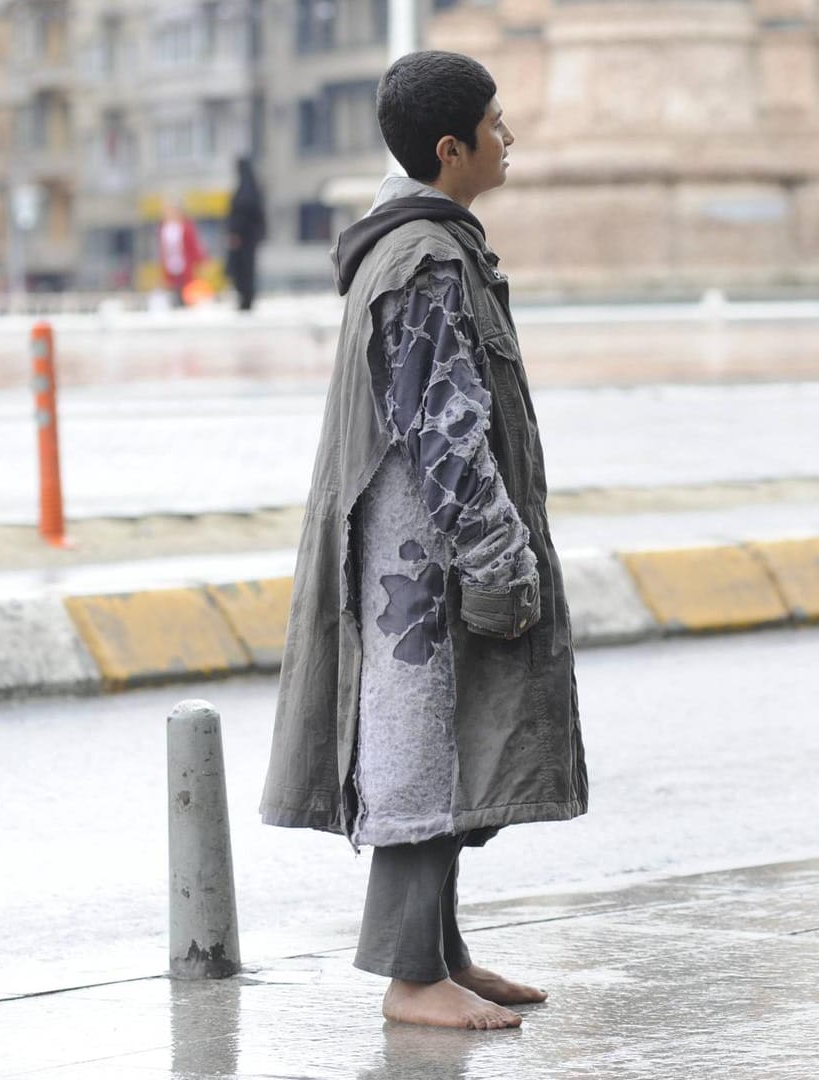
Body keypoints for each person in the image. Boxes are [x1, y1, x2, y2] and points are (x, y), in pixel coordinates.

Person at [260, 50, 585, 1032]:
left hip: (420, 557)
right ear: (452, 150)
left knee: (452, 745)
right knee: (425, 752)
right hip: (424, 564)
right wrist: (498, 561)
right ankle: (411, 976)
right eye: (496, 124)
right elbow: (444, 434)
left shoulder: (424, 246)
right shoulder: (426, 263)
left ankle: (441, 954)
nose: (509, 136)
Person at [225, 158, 266, 312]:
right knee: (245, 270)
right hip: (249, 240)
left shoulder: (245, 193)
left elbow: (241, 216)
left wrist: (235, 233)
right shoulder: (252, 190)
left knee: (244, 271)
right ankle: (245, 299)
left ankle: (246, 300)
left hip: (243, 240)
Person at [156, 199, 204, 307]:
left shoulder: (185, 227)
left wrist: (198, 262)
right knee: (172, 289)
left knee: (187, 289)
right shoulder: (163, 228)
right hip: (170, 264)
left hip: (185, 264)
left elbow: (193, 245)